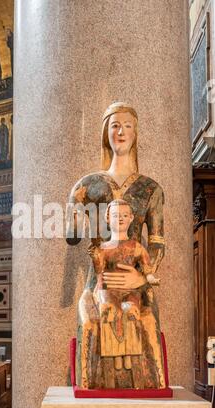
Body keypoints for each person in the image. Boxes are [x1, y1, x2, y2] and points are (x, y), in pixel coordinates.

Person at [66, 102, 166, 390]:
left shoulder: (151, 189)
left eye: (127, 125)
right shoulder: (90, 184)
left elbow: (158, 243)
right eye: (114, 125)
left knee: (145, 323)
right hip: (98, 283)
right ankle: (91, 386)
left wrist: (141, 278)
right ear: (105, 134)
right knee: (89, 325)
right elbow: (72, 236)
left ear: (136, 134)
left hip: (138, 285)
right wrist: (74, 208)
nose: (121, 131)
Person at [88, 199, 159, 376]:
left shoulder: (136, 247)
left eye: (124, 215)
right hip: (108, 290)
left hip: (130, 291)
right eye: (115, 215)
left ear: (131, 218)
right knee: (109, 311)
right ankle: (115, 354)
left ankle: (128, 352)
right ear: (107, 218)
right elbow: (99, 272)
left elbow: (146, 268)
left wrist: (150, 278)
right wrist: (96, 258)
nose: (120, 219)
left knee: (130, 311)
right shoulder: (104, 248)